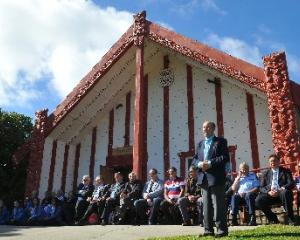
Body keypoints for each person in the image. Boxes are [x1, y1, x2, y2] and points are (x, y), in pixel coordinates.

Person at [192, 121, 229, 237]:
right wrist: (199, 164)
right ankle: (208, 230)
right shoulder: (200, 144)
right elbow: (194, 159)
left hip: (216, 177)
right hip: (203, 178)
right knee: (206, 206)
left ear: (213, 129)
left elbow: (224, 157)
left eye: (207, 127)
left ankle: (221, 230)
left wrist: (210, 163)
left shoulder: (221, 141)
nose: (205, 129)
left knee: (218, 205)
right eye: (203, 127)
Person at [255, 154, 297, 225]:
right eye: (271, 161)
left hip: (282, 193)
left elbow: (291, 183)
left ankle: (291, 218)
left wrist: (281, 189)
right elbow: (261, 187)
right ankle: (273, 219)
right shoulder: (265, 173)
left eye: (274, 161)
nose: (272, 163)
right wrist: (268, 192)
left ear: (278, 162)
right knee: (258, 200)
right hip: (270, 195)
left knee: (285, 192)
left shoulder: (285, 171)